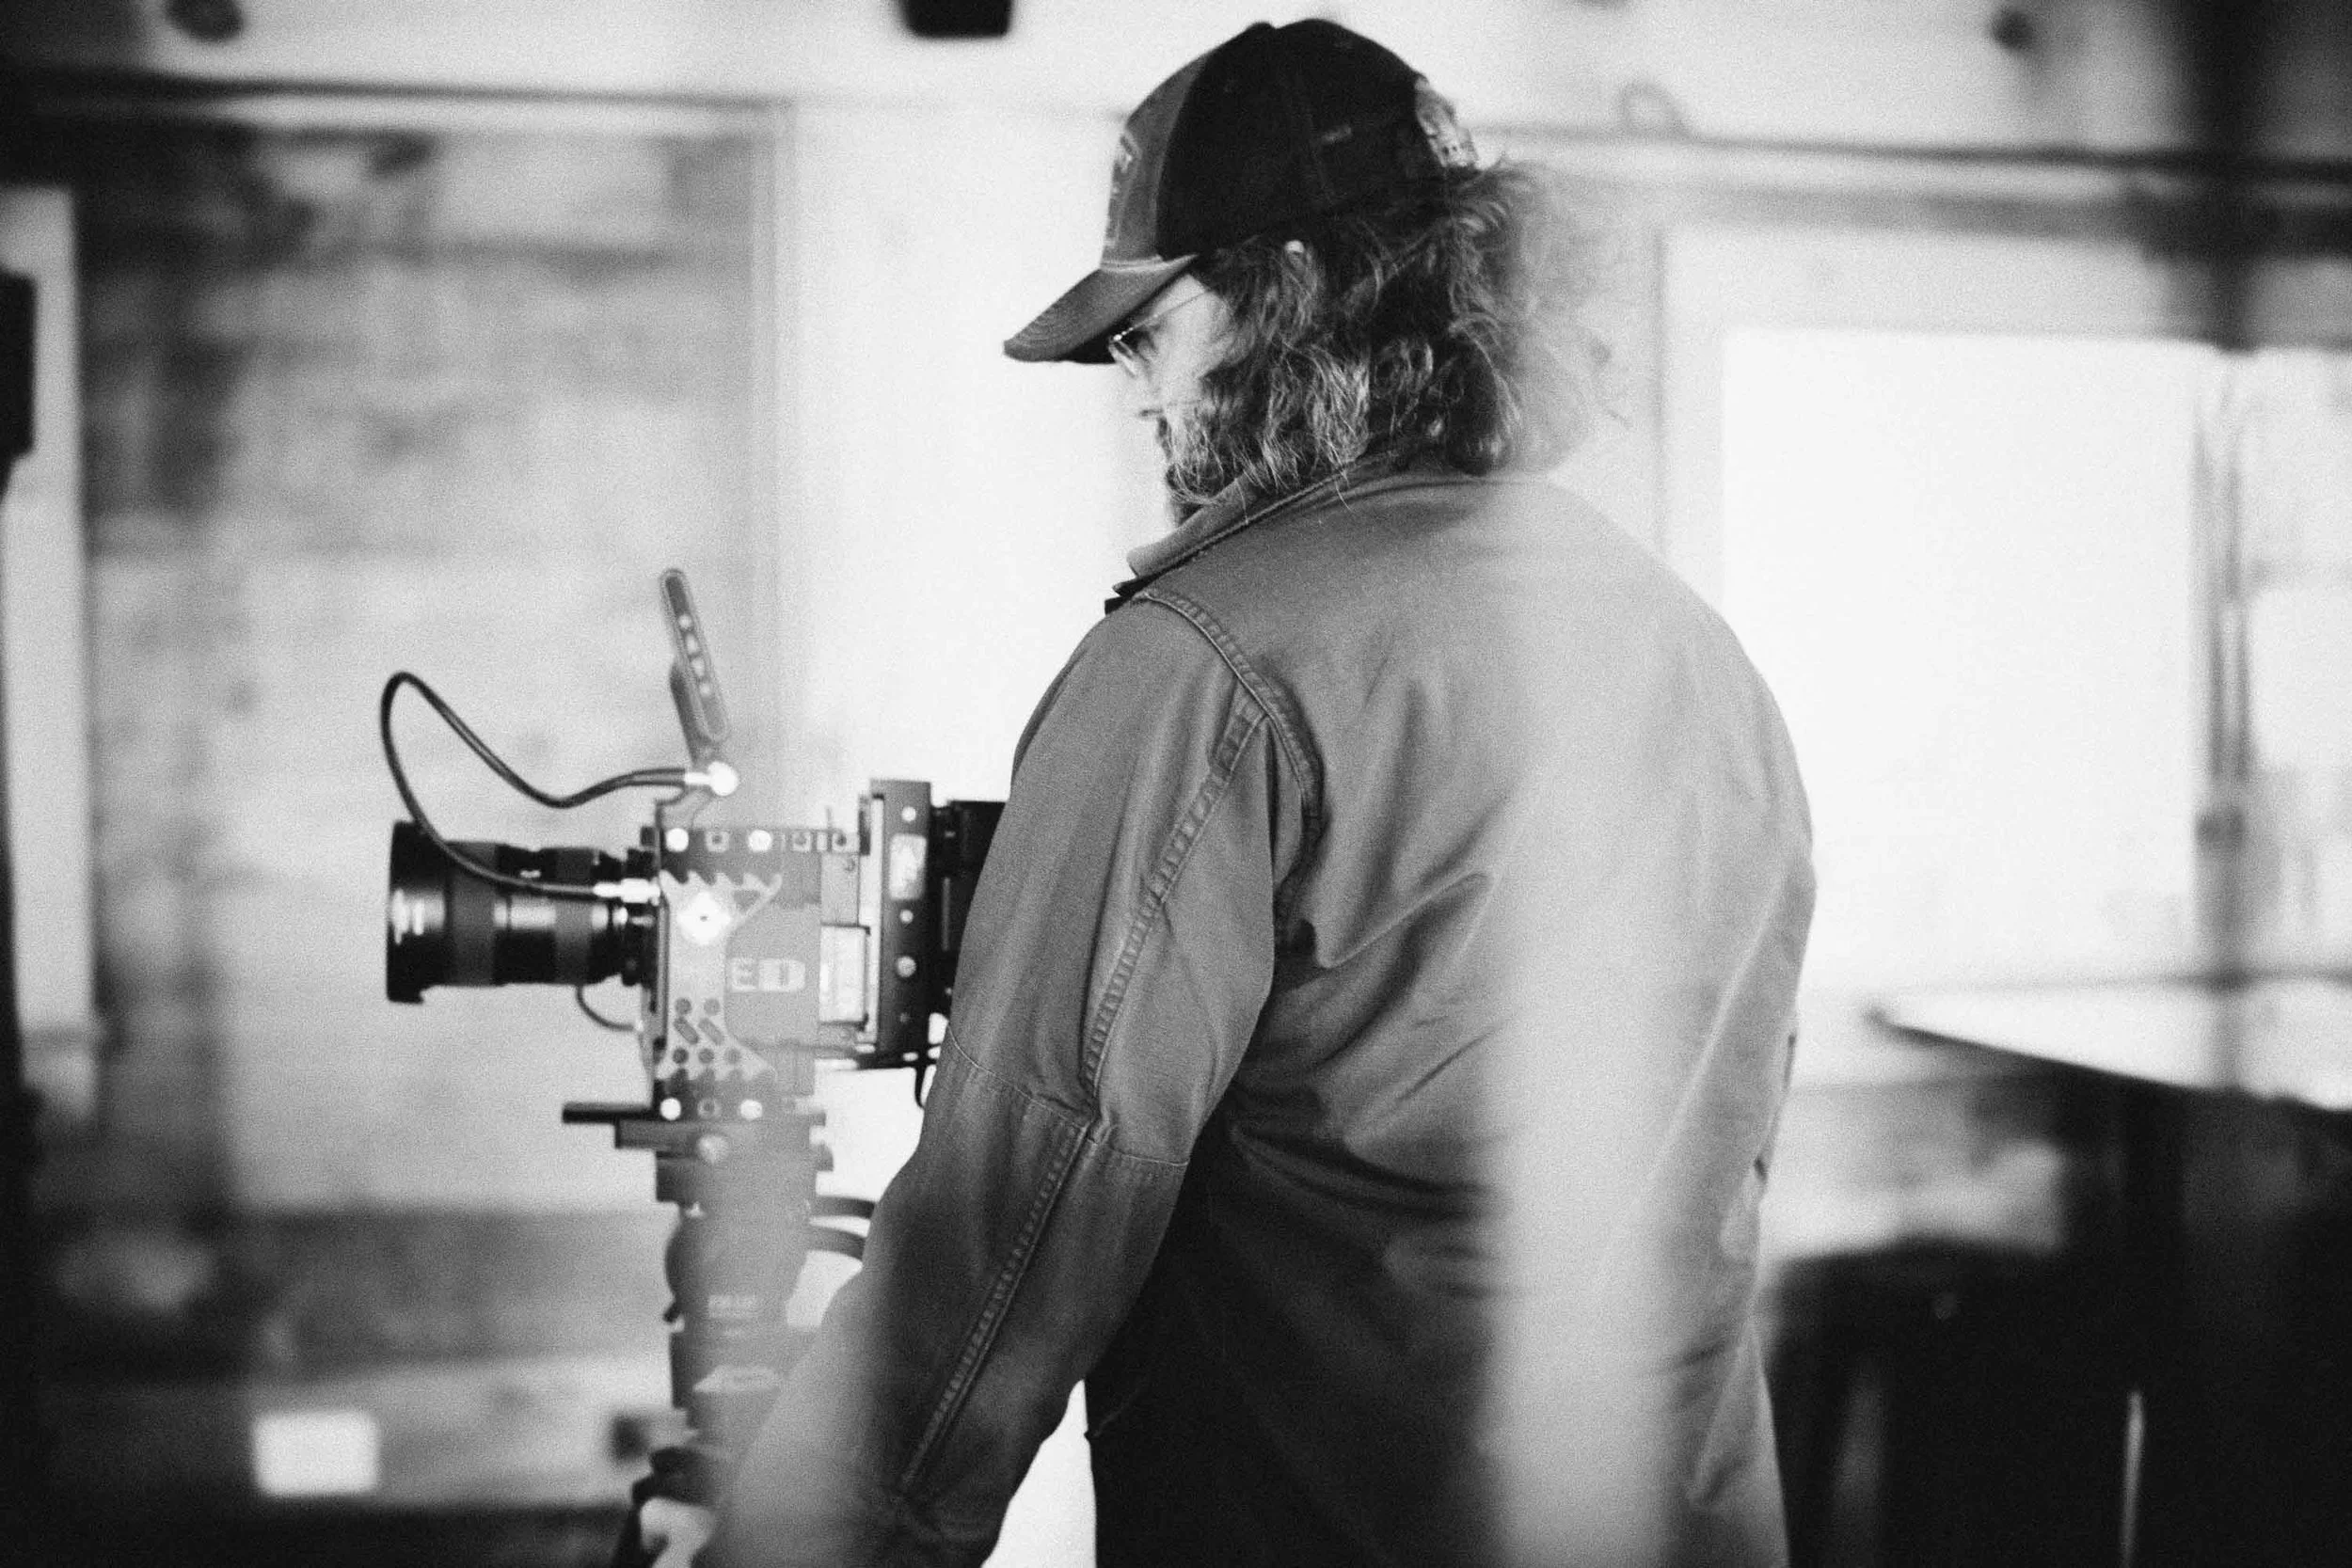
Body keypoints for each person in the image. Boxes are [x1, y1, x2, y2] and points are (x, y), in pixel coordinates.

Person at [653, 19, 1814, 1567]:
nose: (1130, 387)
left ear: (1289, 295)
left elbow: (1016, 1220)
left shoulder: (1205, 668)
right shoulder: (1698, 658)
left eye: (1149, 329)